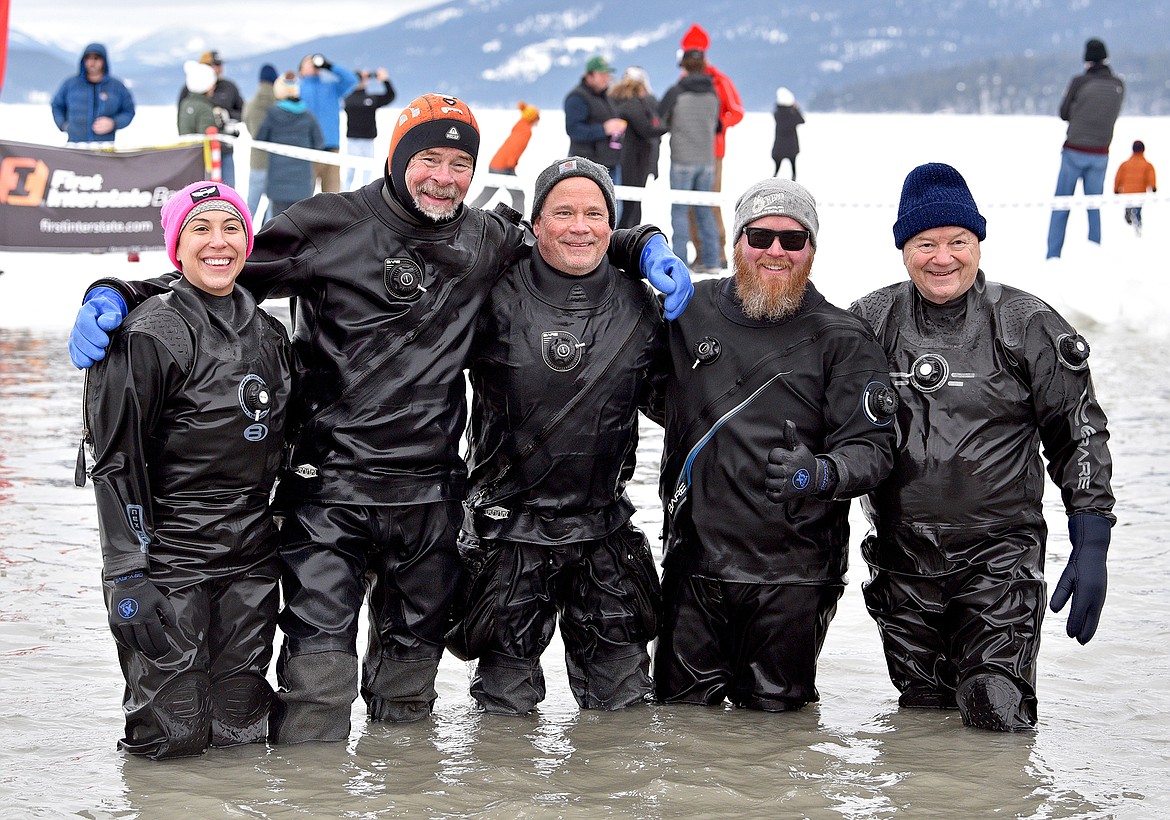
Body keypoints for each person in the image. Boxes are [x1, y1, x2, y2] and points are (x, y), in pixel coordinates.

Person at [67, 93, 694, 745]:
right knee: (317, 692)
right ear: (397, 157)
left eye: (460, 163)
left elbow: (569, 235)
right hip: (328, 496)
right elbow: (216, 268)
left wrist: (641, 246)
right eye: (428, 158)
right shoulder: (330, 224)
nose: (444, 176)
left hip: (428, 501)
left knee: (408, 701)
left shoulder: (483, 238)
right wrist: (118, 292)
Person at [850, 162, 1116, 732]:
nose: (942, 258)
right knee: (922, 727)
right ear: (903, 249)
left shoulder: (1025, 323)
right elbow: (807, 410)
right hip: (902, 557)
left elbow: (1080, 432)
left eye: (957, 242)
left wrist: (1091, 538)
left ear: (978, 243)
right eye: (926, 243)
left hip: (1000, 556)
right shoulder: (868, 322)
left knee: (994, 709)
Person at [650, 178, 898, 712]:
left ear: (812, 250)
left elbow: (874, 449)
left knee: (777, 747)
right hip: (695, 567)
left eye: (794, 240)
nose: (776, 252)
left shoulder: (843, 337)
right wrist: (644, 244)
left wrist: (820, 473)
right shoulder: (687, 311)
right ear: (738, 241)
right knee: (677, 734)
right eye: (761, 237)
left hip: (793, 576)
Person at [81, 181, 292, 759]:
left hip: (251, 558)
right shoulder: (146, 333)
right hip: (169, 561)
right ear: (176, 244)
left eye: (231, 228)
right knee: (171, 737)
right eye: (200, 229)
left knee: (241, 732)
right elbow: (111, 461)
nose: (218, 243)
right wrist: (125, 570)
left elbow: (287, 446)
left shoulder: (271, 334)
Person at [449, 156, 665, 715]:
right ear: (536, 222)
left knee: (625, 713)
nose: (580, 225)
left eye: (595, 213)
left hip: (604, 527)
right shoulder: (490, 296)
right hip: (509, 530)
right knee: (503, 714)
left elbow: (687, 408)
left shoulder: (643, 306)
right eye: (563, 211)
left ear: (612, 226)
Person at [1045, 38, 1125, 259]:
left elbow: (1063, 113)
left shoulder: (1079, 81)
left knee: (1061, 205)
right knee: (1094, 206)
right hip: (1101, 154)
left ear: (1087, 60)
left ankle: (1053, 256)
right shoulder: (1118, 84)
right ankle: (1095, 252)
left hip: (1074, 151)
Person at [679, 24, 744, 269]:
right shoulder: (684, 82)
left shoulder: (719, 81)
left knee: (708, 204)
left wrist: (719, 124)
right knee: (690, 206)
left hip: (713, 153)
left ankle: (718, 253)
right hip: (688, 150)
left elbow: (737, 111)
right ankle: (700, 254)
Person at [660, 49, 722, 273]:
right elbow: (717, 125)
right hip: (706, 161)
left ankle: (680, 262)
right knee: (705, 211)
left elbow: (660, 120)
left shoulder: (676, 91)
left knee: (679, 211)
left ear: (683, 66)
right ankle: (712, 261)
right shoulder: (713, 92)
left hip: (682, 159)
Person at [256, 73, 324, 220]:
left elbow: (260, 138)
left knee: (277, 223)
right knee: (298, 224)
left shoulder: (272, 114)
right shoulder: (308, 116)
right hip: (302, 183)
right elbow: (319, 142)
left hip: (278, 181)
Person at [610, 67, 667, 230]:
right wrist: (670, 125)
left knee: (625, 205)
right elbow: (647, 130)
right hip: (634, 160)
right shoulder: (632, 104)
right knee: (631, 206)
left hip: (624, 159)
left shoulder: (615, 101)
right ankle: (626, 243)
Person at [178, 50, 245, 187]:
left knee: (227, 190)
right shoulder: (190, 89)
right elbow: (182, 116)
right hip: (199, 154)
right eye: (214, 64)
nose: (219, 68)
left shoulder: (229, 87)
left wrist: (227, 116)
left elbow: (242, 112)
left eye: (220, 65)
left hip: (225, 150)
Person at [297, 53, 360, 194]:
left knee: (332, 198)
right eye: (308, 61)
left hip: (331, 149)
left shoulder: (331, 87)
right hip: (307, 150)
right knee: (303, 197)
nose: (313, 63)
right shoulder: (298, 89)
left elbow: (352, 80)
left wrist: (329, 66)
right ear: (301, 70)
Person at [50, 43, 135, 145]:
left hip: (105, 146)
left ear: (104, 61)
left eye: (96, 58)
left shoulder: (116, 86)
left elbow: (129, 110)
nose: (92, 63)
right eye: (88, 58)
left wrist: (114, 123)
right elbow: (57, 105)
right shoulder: (70, 85)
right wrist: (63, 124)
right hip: (75, 145)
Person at [468, 101, 541, 213]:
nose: (539, 120)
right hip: (504, 166)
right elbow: (514, 147)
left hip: (498, 164)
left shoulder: (521, 125)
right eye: (537, 117)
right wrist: (511, 164)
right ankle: (517, 223)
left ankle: (469, 211)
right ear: (533, 118)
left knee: (488, 193)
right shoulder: (526, 131)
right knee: (518, 196)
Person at [564, 55, 626, 182]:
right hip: (588, 166)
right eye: (602, 74)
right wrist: (603, 129)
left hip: (610, 163)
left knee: (613, 202)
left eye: (607, 74)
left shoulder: (605, 96)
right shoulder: (577, 97)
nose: (606, 78)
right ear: (589, 76)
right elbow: (573, 129)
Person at [343, 67, 396, 190]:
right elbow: (353, 100)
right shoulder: (348, 98)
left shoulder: (370, 98)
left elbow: (390, 96)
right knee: (350, 172)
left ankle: (365, 195)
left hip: (368, 141)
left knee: (367, 172)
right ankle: (345, 194)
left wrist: (385, 81)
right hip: (353, 141)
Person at [243, 64, 279, 220]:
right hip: (276, 160)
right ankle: (268, 238)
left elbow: (247, 122)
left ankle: (242, 234)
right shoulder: (278, 103)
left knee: (251, 203)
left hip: (257, 160)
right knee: (273, 205)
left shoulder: (251, 104)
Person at [1114, 139, 1156, 236]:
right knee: (1138, 208)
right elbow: (1151, 177)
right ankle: (1138, 222)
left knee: (1129, 204)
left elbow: (1118, 177)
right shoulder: (1147, 165)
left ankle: (1128, 214)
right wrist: (1153, 187)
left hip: (1127, 192)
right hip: (1140, 192)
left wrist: (1116, 189)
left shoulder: (1124, 164)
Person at [177, 61, 218, 155]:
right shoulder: (204, 108)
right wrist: (228, 131)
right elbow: (207, 138)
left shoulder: (185, 103)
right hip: (201, 159)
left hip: (187, 155)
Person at [771, 87, 804, 179]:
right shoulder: (791, 114)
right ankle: (793, 180)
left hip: (780, 144)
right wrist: (796, 109)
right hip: (791, 144)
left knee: (777, 167)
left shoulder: (777, 113)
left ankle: (773, 180)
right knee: (793, 165)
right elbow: (802, 120)